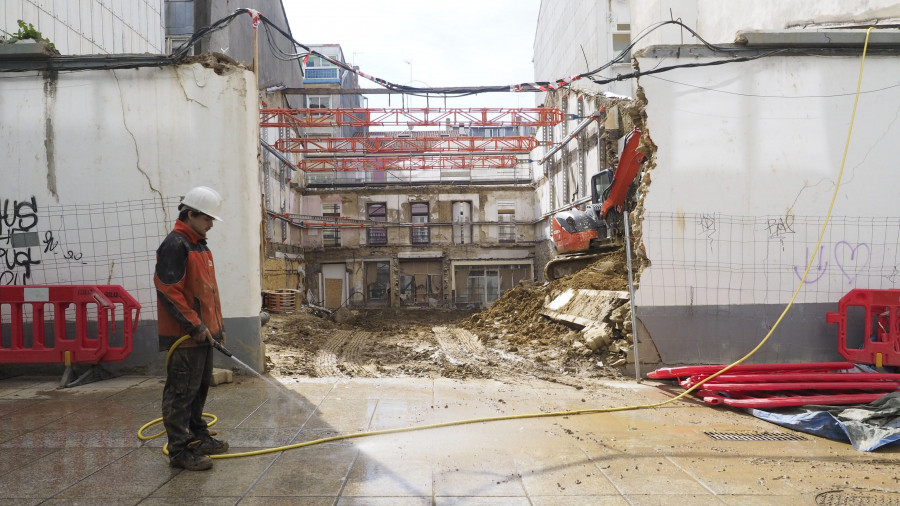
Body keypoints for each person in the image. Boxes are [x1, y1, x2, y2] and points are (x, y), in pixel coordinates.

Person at [155, 186, 229, 471]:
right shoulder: (176, 245)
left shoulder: (200, 245)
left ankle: (198, 436)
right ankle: (180, 451)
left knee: (198, 390)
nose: (211, 223)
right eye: (207, 218)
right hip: (185, 337)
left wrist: (216, 328)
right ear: (190, 214)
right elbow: (168, 290)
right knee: (181, 393)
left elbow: (208, 291)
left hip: (204, 335)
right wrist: (194, 325)